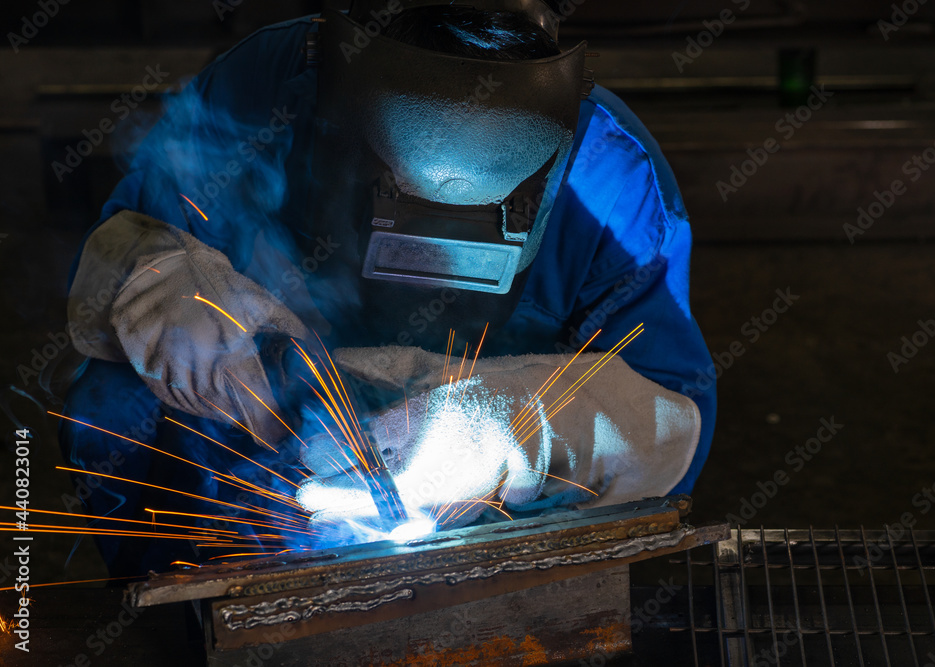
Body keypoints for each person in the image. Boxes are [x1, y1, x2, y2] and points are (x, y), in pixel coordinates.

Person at [59, 0, 717, 575]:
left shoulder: (609, 175)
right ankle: (197, 605)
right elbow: (109, 262)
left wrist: (535, 422)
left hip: (497, 510)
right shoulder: (267, 88)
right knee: (112, 402)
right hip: (276, 445)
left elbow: (673, 422)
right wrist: (158, 273)